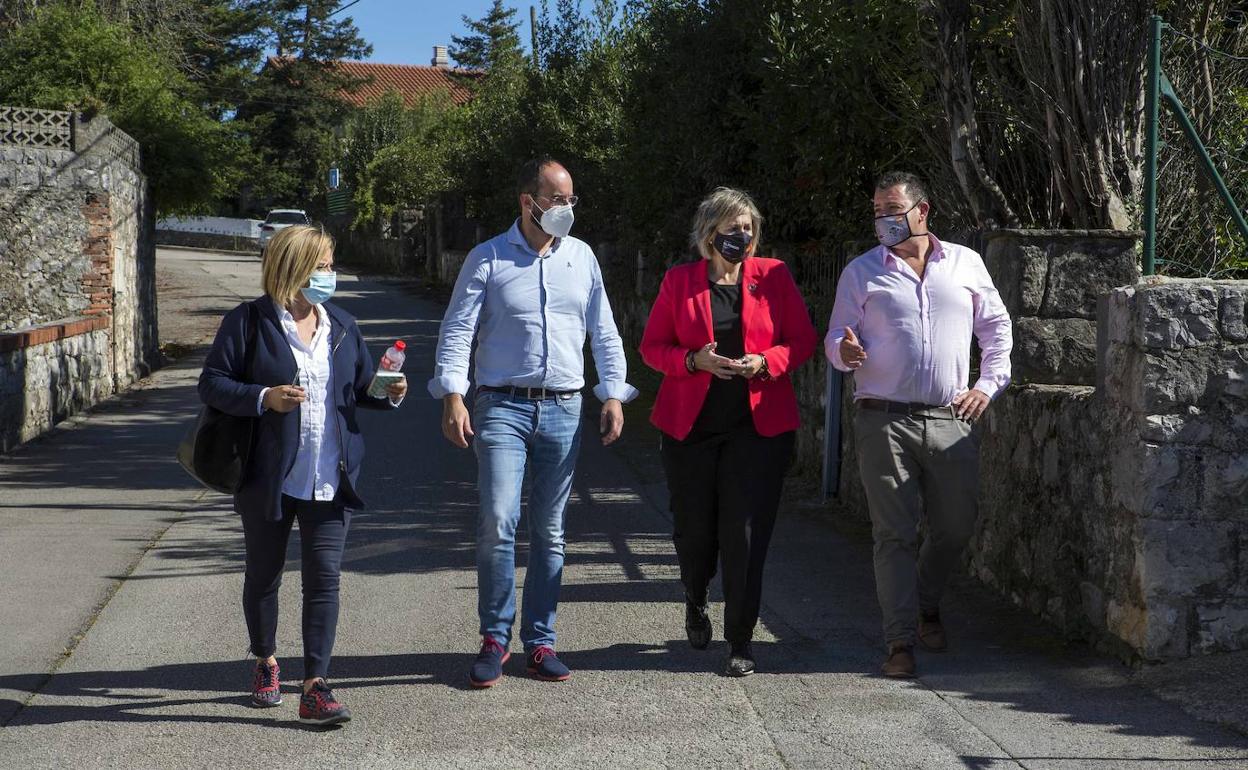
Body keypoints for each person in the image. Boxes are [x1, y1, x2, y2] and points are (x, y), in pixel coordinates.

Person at [428, 156, 638, 688]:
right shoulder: (487, 258)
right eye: (559, 200)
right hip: (501, 405)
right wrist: (453, 394)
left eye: (572, 200)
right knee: (499, 519)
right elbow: (457, 331)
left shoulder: (583, 258)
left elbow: (604, 331)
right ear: (529, 203)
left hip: (565, 408)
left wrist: (613, 394)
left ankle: (540, 642)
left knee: (550, 530)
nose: (568, 209)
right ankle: (495, 638)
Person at [198, 224, 407, 725]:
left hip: (330, 475)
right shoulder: (247, 323)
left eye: (332, 265)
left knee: (324, 580)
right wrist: (261, 397)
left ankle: (315, 686)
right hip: (267, 476)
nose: (331, 275)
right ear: (293, 266)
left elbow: (359, 391)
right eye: (324, 265)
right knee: (265, 576)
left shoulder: (342, 325)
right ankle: (266, 659)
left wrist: (389, 392)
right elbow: (212, 384)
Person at [825, 171, 1012, 679]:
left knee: (955, 527)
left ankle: (928, 602)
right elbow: (836, 338)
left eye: (892, 209)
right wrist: (843, 351)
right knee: (894, 535)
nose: (882, 219)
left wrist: (987, 385)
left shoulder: (966, 264)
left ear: (922, 211)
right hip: (883, 419)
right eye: (877, 211)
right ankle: (899, 641)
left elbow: (996, 328)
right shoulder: (861, 272)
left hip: (952, 417)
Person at [639, 187, 817, 677]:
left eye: (748, 228)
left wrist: (766, 362)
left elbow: (801, 340)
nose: (742, 236)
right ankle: (695, 598)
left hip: (756, 431)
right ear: (708, 233)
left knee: (744, 535)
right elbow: (652, 347)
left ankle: (741, 639)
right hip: (690, 431)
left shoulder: (773, 277)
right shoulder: (679, 282)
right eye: (732, 228)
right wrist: (692, 360)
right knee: (695, 535)